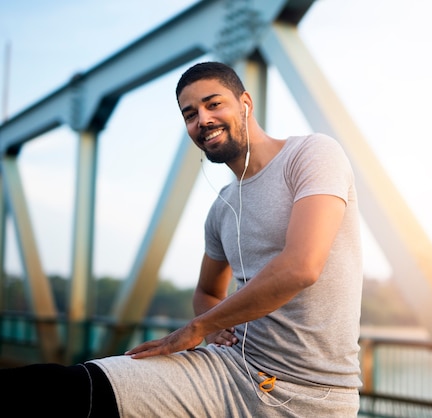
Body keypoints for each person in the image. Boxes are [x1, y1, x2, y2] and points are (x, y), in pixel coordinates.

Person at [0, 61, 363, 417]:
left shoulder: (312, 154)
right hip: (230, 371)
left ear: (245, 103)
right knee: (62, 389)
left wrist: (198, 327)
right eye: (190, 114)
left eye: (214, 103)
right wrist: (215, 324)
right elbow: (206, 292)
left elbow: (301, 267)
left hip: (315, 396)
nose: (202, 119)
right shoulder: (221, 211)